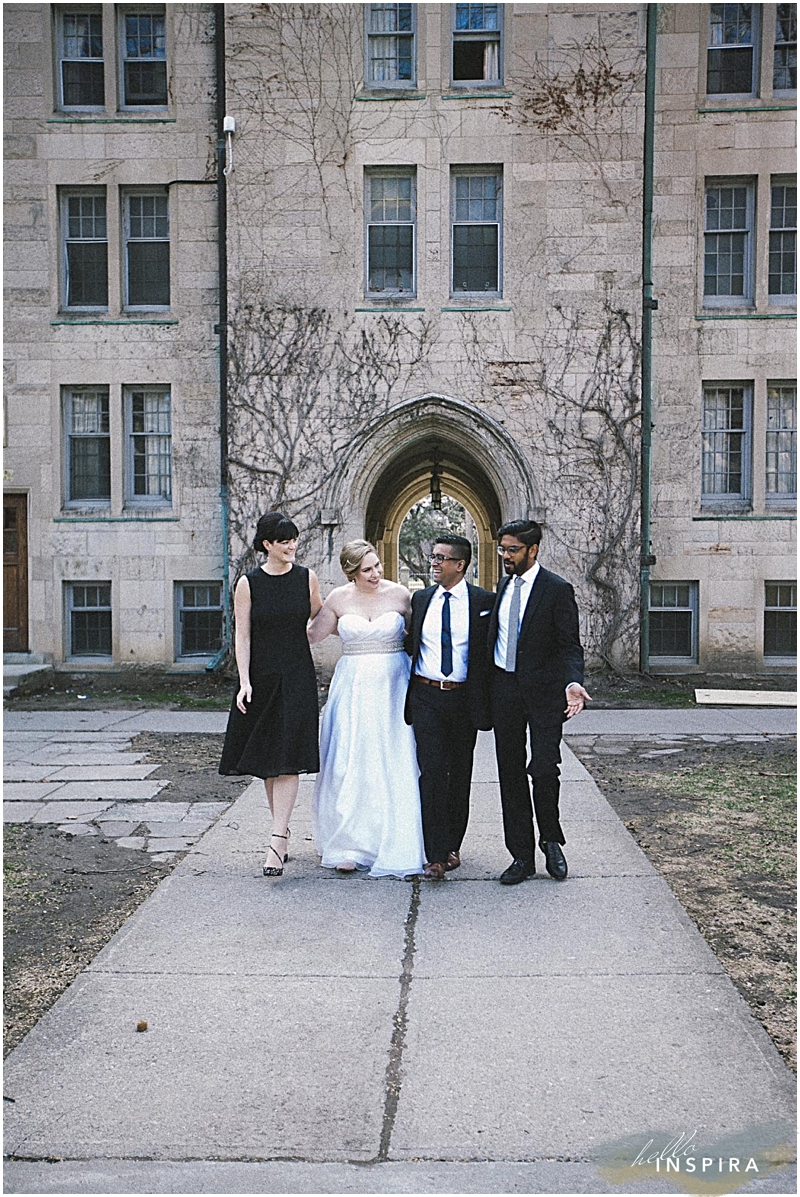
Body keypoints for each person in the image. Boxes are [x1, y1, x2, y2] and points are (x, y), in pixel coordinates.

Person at [308, 540, 425, 879]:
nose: (375, 574)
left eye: (377, 566)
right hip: (353, 688)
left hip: (394, 686)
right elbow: (313, 635)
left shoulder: (401, 595)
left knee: (394, 756)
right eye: (367, 569)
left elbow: (422, 634)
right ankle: (349, 843)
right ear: (351, 572)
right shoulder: (338, 599)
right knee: (351, 759)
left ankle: (396, 838)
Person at [487, 519, 592, 885]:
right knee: (510, 774)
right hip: (505, 691)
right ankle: (521, 856)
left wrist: (573, 682)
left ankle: (550, 838)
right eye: (502, 549)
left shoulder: (556, 590)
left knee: (545, 769)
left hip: (546, 695)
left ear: (533, 550)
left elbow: (569, 646)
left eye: (512, 550)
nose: (505, 556)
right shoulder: (503, 586)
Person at [219, 512, 322, 877]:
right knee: (267, 759)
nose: (292, 546)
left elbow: (316, 616)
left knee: (289, 756)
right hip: (261, 676)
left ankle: (277, 840)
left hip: (296, 675)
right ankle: (282, 830)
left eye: (294, 539)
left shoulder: (307, 578)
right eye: (284, 541)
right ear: (267, 545)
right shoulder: (248, 584)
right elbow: (242, 635)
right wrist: (244, 681)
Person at [405, 535, 495, 881]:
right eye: (433, 556)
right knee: (431, 772)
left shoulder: (484, 601)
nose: (434, 563)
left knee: (458, 773)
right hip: (426, 696)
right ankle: (434, 855)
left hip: (463, 699)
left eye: (442, 558)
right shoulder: (421, 598)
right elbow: (409, 643)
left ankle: (453, 844)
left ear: (461, 564)